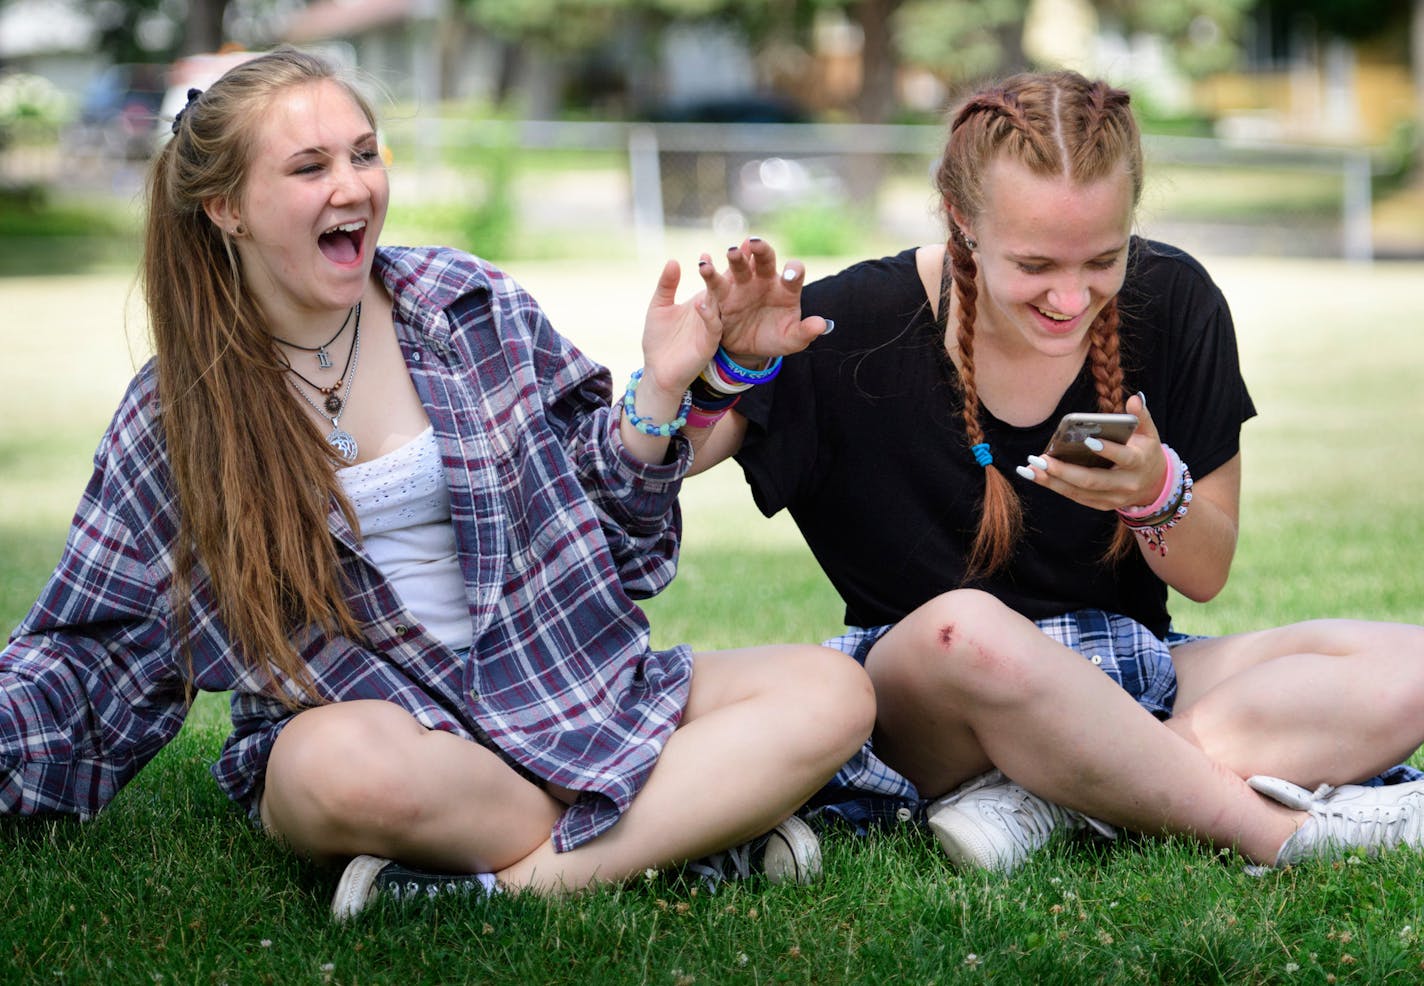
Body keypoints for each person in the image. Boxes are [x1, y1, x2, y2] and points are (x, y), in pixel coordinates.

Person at [0, 46, 876, 919]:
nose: (353, 186)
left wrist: (665, 388)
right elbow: (93, 649)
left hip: (573, 682)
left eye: (364, 153)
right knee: (325, 774)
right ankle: (695, 825)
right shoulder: (179, 413)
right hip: (392, 735)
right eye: (310, 167)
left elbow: (611, 536)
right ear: (225, 206)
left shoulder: (465, 301)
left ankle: (507, 883)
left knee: (833, 692)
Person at [676, 69, 1424, 874]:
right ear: (962, 219)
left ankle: (1049, 799)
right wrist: (729, 370)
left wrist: (1154, 495)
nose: (1072, 298)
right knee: (972, 630)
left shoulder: (1175, 299)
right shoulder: (849, 322)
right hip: (934, 693)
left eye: (1103, 259)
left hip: (1122, 667)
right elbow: (671, 459)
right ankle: (1273, 833)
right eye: (1035, 264)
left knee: (1408, 669)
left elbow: (1205, 573)